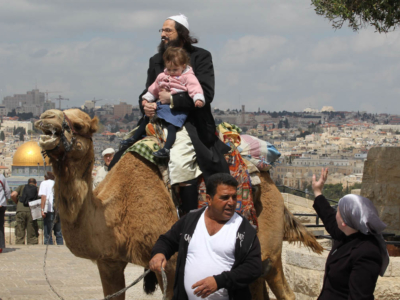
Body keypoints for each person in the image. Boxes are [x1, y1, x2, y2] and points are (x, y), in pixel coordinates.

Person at [111, 14, 230, 214]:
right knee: (118, 159)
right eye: (162, 30)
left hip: (188, 122)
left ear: (181, 34)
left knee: (181, 162)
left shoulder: (201, 57)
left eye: (168, 30)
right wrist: (145, 104)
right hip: (157, 117)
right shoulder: (156, 60)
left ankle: (188, 220)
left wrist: (172, 100)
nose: (163, 35)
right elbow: (149, 90)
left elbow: (205, 94)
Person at [149, 173, 262, 300]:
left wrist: (219, 281)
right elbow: (167, 240)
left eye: (234, 197)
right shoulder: (190, 220)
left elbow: (254, 267)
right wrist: (159, 253)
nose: (231, 202)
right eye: (225, 197)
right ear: (209, 199)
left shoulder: (244, 229)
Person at [312, 168, 389, 300]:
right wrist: (317, 191)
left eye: (338, 211)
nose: (335, 212)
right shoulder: (347, 233)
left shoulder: (367, 252)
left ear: (345, 222)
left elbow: (359, 296)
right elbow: (329, 218)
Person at [121, 47, 205, 158]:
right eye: (169, 69)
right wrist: (146, 99)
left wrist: (198, 99)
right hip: (161, 105)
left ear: (183, 66)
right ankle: (134, 138)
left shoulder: (188, 77)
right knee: (147, 118)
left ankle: (166, 148)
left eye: (175, 70)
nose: (171, 73)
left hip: (176, 110)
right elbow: (153, 89)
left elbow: (195, 89)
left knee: (171, 126)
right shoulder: (162, 76)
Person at [11, 178, 39, 245]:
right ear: (36, 183)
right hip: (32, 211)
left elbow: (13, 195)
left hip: (21, 210)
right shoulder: (37, 188)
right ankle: (32, 246)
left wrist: (17, 202)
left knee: (20, 229)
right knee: (32, 231)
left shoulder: (21, 187)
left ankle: (20, 245)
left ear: (28, 183)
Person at [39, 172, 63, 245]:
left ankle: (50, 248)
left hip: (49, 210)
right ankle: (60, 248)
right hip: (58, 210)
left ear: (45, 177)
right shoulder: (58, 183)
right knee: (59, 233)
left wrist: (42, 210)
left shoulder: (44, 183)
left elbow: (43, 196)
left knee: (48, 233)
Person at [0, 174, 11, 253]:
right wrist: (5, 201)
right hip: (1, 204)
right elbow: (7, 190)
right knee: (0, 226)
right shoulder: (1, 177)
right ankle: (0, 246)